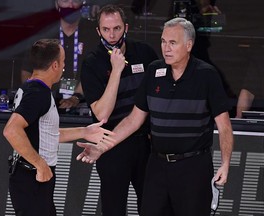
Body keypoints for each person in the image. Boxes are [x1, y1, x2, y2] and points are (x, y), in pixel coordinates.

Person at [77, 17, 234, 216]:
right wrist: (101, 147)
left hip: (193, 168)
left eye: (172, 43)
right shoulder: (153, 71)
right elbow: (133, 120)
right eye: (163, 41)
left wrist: (225, 163)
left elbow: (224, 125)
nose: (165, 48)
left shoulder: (207, 75)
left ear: (188, 45)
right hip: (157, 166)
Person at [3, 39, 115, 216]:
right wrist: (40, 165)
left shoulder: (33, 88)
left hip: (32, 178)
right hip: (32, 177)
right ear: (55, 65)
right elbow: (11, 130)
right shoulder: (38, 94)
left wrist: (85, 132)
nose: (64, 66)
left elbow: (45, 134)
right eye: (63, 61)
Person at [80, 4, 158, 215]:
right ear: (98, 31)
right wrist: (116, 70)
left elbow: (159, 96)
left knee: (152, 207)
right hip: (111, 146)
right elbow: (102, 113)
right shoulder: (91, 64)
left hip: (145, 143)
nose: (112, 35)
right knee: (114, 208)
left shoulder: (145, 52)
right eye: (106, 29)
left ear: (126, 27)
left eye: (116, 28)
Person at [21, 0, 98, 110]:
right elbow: (27, 71)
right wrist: (37, 95)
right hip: (44, 102)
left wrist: (76, 97)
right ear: (57, 4)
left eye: (75, 1)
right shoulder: (43, 32)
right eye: (65, 0)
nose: (70, 5)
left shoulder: (92, 33)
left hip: (83, 105)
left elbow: (94, 73)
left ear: (82, 3)